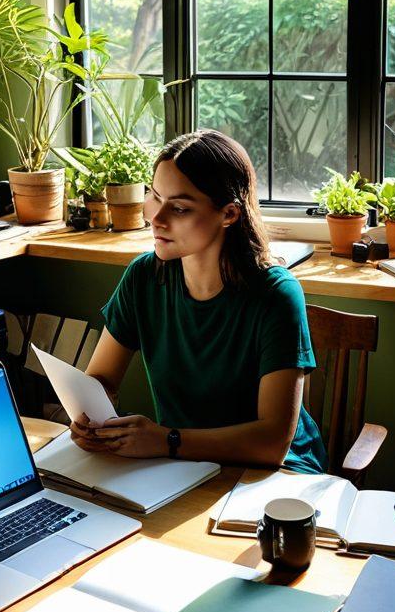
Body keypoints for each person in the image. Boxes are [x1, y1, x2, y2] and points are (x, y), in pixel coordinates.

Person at [70, 129, 327, 472]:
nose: (156, 219)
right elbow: (101, 380)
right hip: (182, 466)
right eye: (154, 196)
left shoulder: (276, 294)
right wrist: (89, 420)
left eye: (179, 208)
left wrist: (167, 440)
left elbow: (272, 444)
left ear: (229, 215)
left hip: (274, 475)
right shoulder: (144, 277)